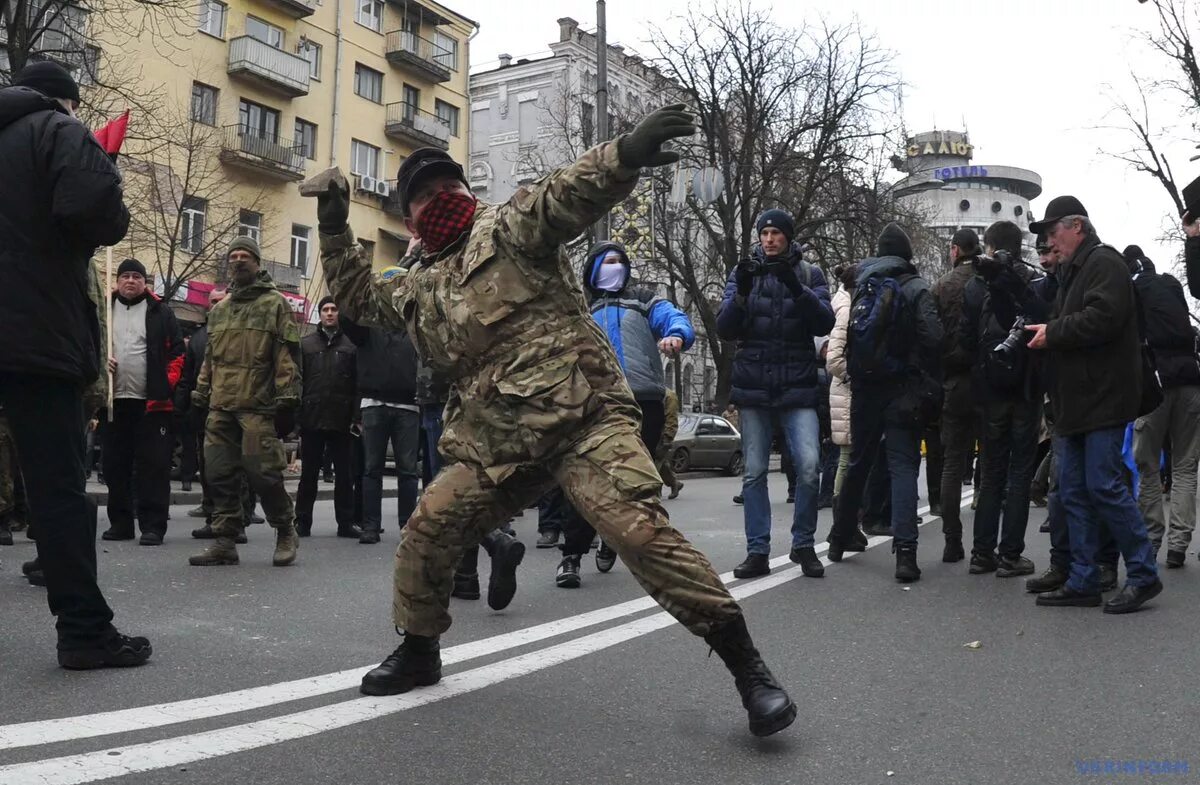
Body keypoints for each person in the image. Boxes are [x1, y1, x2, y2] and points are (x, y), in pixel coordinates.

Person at [318, 104, 796, 737]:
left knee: (640, 535)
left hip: (583, 421)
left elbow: (563, 195)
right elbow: (356, 298)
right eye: (424, 197)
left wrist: (625, 152)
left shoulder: (509, 231)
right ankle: (419, 650)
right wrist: (331, 222)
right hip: (497, 443)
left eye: (448, 188)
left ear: (468, 191)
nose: (440, 201)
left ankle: (749, 670)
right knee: (428, 529)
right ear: (408, 218)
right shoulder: (417, 285)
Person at [0, 61, 151, 668]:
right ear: (63, 100)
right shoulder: (57, 131)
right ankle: (84, 631)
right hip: (35, 336)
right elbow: (98, 212)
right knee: (57, 485)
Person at [1024, 196, 1162, 613]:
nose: (1049, 242)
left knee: (1102, 486)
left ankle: (1143, 573)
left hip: (1101, 398)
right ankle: (1083, 577)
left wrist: (1053, 332)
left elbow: (1104, 318)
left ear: (1077, 226)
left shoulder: (1104, 263)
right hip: (1076, 401)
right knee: (1073, 491)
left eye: (1053, 233)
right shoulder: (1074, 271)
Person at [551, 240, 694, 588]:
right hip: (596, 403)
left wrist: (676, 334)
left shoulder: (643, 300)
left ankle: (615, 540)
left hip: (644, 400)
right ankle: (571, 556)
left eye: (620, 260)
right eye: (608, 261)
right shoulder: (580, 307)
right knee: (586, 482)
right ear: (594, 269)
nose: (616, 266)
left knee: (635, 483)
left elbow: (673, 316)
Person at [716, 209, 835, 579]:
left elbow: (825, 322)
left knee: (810, 468)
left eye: (776, 233)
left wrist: (796, 288)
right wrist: (742, 295)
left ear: (787, 237)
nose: (769, 239)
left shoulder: (809, 273)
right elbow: (724, 328)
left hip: (797, 387)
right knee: (753, 474)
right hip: (755, 387)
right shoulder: (742, 273)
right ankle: (758, 552)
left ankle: (803, 545)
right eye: (764, 233)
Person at [827, 223, 943, 582]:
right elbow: (934, 338)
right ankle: (905, 555)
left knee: (858, 463)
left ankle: (839, 537)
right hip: (903, 390)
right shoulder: (916, 286)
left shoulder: (862, 285)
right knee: (903, 466)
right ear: (908, 255)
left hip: (865, 389)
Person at [188, 237, 302, 568]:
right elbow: (211, 357)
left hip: (258, 405)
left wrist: (287, 399)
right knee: (219, 473)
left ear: (257, 262)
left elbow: (285, 356)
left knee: (263, 474)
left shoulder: (274, 304)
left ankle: (284, 529)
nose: (238, 261)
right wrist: (201, 391)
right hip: (221, 404)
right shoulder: (220, 310)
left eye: (245, 256)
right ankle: (224, 540)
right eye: (233, 256)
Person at [959, 221, 1049, 577]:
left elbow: (965, 339)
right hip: (1025, 389)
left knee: (991, 471)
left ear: (988, 245)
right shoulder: (1030, 283)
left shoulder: (974, 286)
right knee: (1019, 473)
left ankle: (982, 552)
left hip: (990, 388)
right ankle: (1010, 554)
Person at [1124, 244, 1200, 568]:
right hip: (1190, 380)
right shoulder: (1171, 284)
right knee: (1185, 466)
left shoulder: (1130, 290)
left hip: (1154, 384)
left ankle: (1152, 538)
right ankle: (1179, 545)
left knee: (1148, 464)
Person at [102, 258, 185, 546]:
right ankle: (121, 523)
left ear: (145, 282)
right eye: (125, 275)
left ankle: (152, 526)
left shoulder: (160, 312)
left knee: (153, 466)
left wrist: (165, 384)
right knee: (115, 465)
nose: (130, 281)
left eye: (137, 276)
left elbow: (177, 353)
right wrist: (101, 365)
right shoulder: (104, 310)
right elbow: (90, 344)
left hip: (152, 404)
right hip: (114, 401)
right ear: (117, 280)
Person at [340, 270, 421, 546]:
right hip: (374, 405)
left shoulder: (415, 320)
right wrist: (358, 287)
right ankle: (370, 526)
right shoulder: (368, 323)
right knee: (371, 469)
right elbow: (346, 316)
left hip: (409, 407)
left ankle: (408, 527)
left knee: (408, 472)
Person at [930, 228, 982, 563]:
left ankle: (953, 540)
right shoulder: (990, 282)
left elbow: (932, 336)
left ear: (954, 251)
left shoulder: (941, 286)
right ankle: (986, 546)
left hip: (954, 381)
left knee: (952, 463)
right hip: (989, 380)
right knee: (990, 463)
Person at [294, 296, 361, 539]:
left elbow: (357, 384)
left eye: (334, 309)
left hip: (342, 419)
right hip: (312, 417)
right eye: (326, 310)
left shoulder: (351, 346)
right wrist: (297, 416)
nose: (330, 313)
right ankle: (302, 522)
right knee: (308, 475)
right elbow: (297, 381)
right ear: (319, 314)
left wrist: (356, 417)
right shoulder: (306, 344)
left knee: (345, 476)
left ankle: (345, 523)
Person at [826, 264, 855, 501]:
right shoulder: (846, 308)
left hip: (843, 390)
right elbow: (834, 358)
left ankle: (843, 505)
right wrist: (853, 376)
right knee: (846, 455)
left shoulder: (842, 303)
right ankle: (841, 505)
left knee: (847, 455)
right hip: (846, 392)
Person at [657, 389, 684, 499]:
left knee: (655, 464)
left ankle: (654, 492)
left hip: (660, 435)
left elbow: (671, 418)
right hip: (649, 433)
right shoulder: (645, 391)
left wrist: (668, 437)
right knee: (661, 463)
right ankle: (674, 483)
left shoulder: (668, 395)